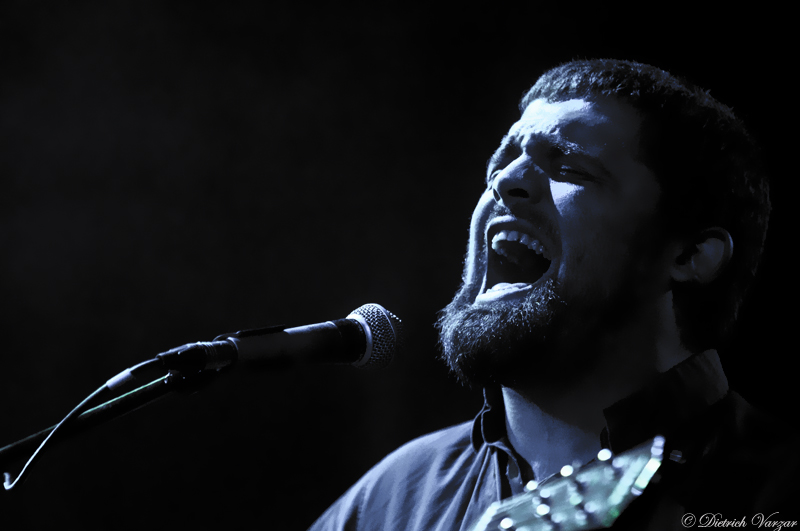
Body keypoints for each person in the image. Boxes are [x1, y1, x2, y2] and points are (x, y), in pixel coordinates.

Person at [309, 59, 794, 531]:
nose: (505, 181)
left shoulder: (775, 496)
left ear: (690, 255)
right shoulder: (393, 498)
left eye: (571, 168)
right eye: (501, 163)